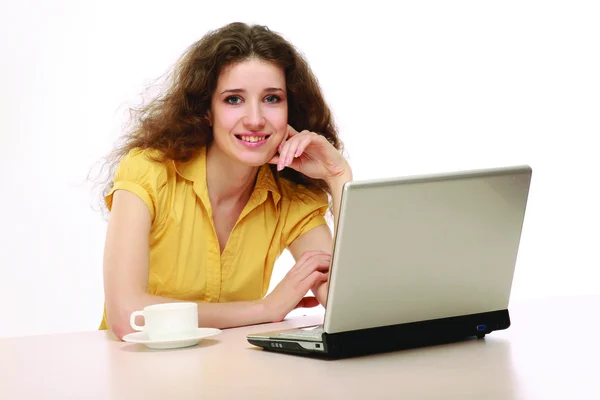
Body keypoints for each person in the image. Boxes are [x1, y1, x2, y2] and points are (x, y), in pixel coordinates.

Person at [97, 22, 352, 340]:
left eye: (272, 99)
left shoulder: (290, 197)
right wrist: (264, 310)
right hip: (138, 376)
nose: (256, 119)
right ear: (207, 110)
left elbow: (350, 309)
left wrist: (337, 176)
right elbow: (127, 315)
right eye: (234, 100)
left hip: (231, 377)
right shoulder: (148, 171)